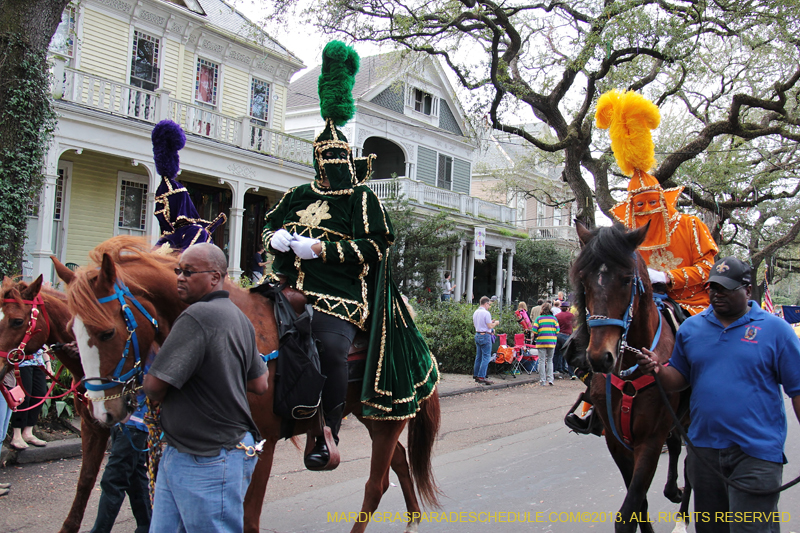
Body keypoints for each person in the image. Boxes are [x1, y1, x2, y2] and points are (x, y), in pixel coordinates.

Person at [262, 41, 438, 471]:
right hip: (285, 287)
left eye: (339, 157)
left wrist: (321, 248)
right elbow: (267, 225)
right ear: (317, 160)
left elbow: (377, 246)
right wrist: (276, 240)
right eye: (326, 159)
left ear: (349, 159)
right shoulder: (297, 194)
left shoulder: (361, 199)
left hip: (339, 296)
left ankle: (327, 430)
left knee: (329, 348)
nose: (333, 165)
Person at [637, 257, 800, 533]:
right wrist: (658, 370)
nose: (716, 294)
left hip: (756, 454)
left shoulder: (776, 331)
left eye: (725, 288)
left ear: (748, 290)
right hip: (704, 454)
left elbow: (797, 390)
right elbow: (679, 378)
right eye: (712, 288)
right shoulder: (691, 329)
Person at [143, 243, 268, 532]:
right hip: (217, 453)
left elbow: (154, 386)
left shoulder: (195, 317)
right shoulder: (240, 318)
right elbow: (259, 383)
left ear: (215, 277)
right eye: (178, 271)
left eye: (188, 271)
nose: (180, 277)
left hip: (206, 459)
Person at [597, 89, 718, 317]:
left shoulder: (690, 225)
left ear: (663, 199)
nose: (647, 209)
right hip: (642, 304)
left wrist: (665, 277)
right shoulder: (627, 235)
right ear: (630, 208)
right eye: (639, 205)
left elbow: (708, 268)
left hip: (692, 305)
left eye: (652, 202)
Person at [9, 347, 50, 449]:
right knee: (23, 398)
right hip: (22, 363)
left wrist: (48, 364)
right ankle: (16, 435)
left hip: (38, 363)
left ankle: (28, 432)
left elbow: (44, 347)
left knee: (40, 396)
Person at [473, 296, 499, 386]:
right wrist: (495, 323)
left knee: (478, 356)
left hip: (477, 334)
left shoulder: (476, 312)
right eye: (489, 304)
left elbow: (477, 324)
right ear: (486, 303)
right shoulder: (486, 313)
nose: (489, 306)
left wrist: (489, 323)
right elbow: (490, 326)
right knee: (486, 357)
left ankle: (476, 374)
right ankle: (482, 376)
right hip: (485, 336)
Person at [532, 302, 560, 386]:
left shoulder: (539, 319)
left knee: (541, 360)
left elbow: (534, 330)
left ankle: (542, 380)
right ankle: (550, 379)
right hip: (551, 341)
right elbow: (557, 330)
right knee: (550, 360)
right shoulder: (554, 319)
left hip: (541, 341)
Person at [554, 303, 577, 379]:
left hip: (558, 335)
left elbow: (555, 326)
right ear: (567, 308)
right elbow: (574, 325)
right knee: (569, 354)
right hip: (567, 335)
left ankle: (555, 370)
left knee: (557, 354)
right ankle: (572, 373)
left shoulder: (557, 316)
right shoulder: (571, 315)